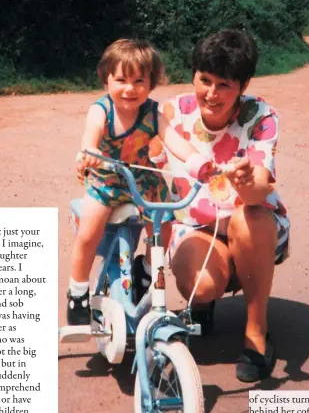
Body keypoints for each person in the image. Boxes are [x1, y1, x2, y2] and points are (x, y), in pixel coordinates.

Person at [142, 29, 290, 382]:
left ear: (243, 85)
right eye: (204, 80)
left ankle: (256, 333)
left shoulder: (261, 116)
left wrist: (244, 180)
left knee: (248, 216)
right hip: (195, 226)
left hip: (252, 224)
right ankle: (202, 302)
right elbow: (144, 166)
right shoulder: (172, 111)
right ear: (193, 75)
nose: (211, 94)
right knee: (204, 285)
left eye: (223, 84)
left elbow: (257, 192)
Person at [68, 38, 210, 326]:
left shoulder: (152, 113)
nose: (129, 88)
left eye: (139, 81)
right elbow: (89, 139)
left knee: (165, 225)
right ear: (106, 80)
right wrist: (90, 154)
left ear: (151, 84)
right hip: (106, 181)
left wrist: (197, 162)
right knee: (88, 233)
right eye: (120, 79)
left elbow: (174, 141)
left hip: (143, 179)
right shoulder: (101, 111)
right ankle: (78, 291)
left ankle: (145, 268)